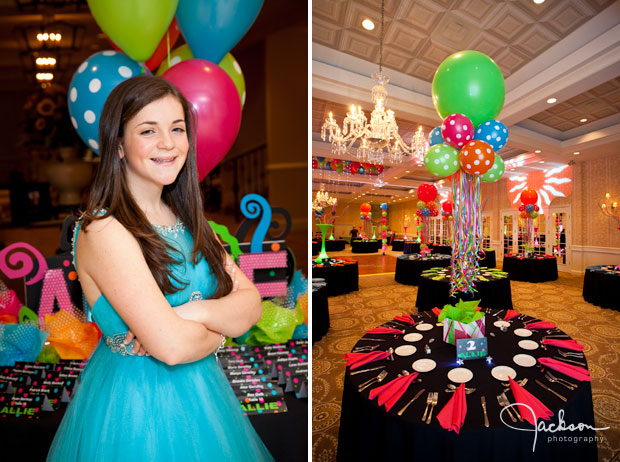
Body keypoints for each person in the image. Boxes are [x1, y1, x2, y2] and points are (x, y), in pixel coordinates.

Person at [47, 76, 273, 461]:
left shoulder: (188, 219)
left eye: (177, 129)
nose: (168, 143)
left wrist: (188, 314)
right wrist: (220, 331)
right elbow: (170, 347)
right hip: (135, 408)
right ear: (118, 145)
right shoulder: (104, 229)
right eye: (148, 130)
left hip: (203, 392)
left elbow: (252, 304)